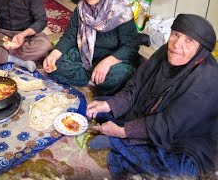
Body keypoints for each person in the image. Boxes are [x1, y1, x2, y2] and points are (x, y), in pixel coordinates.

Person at [85, 14, 218, 180]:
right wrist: (110, 105)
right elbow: (136, 84)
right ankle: (124, 134)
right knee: (100, 106)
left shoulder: (205, 81)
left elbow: (169, 125)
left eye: (189, 40)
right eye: (175, 34)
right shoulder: (166, 51)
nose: (177, 45)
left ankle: (119, 143)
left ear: (201, 49)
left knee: (181, 169)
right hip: (152, 111)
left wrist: (121, 132)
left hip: (185, 137)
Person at [42, 0, 139, 94]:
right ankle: (94, 81)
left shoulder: (121, 12)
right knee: (56, 63)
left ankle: (93, 79)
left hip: (113, 57)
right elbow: (70, 36)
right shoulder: (82, 8)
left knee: (121, 76)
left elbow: (130, 47)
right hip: (86, 53)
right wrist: (54, 54)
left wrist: (106, 63)